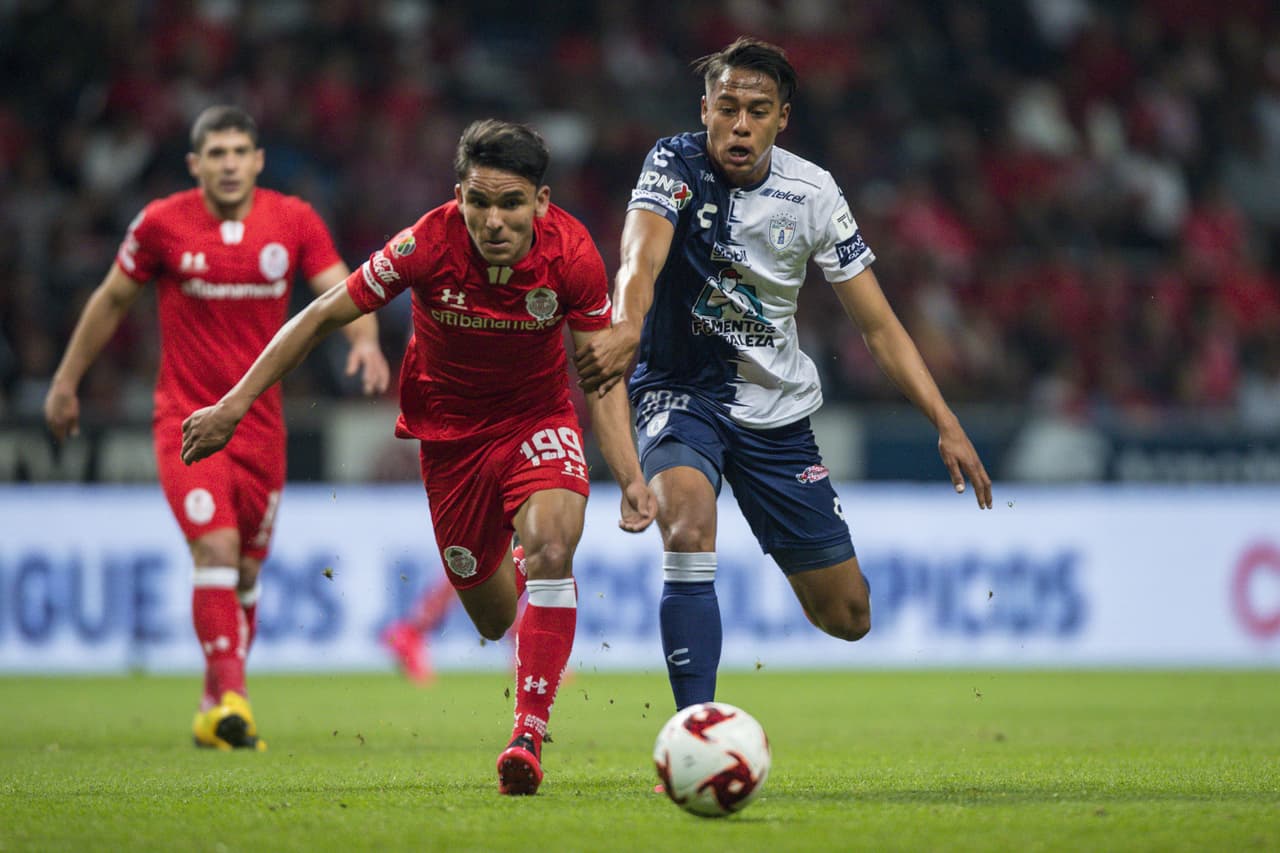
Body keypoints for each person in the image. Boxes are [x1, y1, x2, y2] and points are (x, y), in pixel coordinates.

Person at [180, 119, 656, 795]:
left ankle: (527, 734)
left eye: (511, 203)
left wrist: (631, 475)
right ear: (458, 194)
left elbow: (600, 375)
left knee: (553, 547)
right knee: (493, 619)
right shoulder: (425, 243)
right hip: (451, 442)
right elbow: (319, 314)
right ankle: (522, 564)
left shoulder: (573, 255)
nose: (494, 220)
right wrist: (234, 403)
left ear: (542, 202)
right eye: (479, 201)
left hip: (536, 419)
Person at [574, 38, 993, 712]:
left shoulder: (814, 192)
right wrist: (627, 325)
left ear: (782, 118)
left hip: (777, 413)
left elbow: (878, 326)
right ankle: (693, 730)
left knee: (848, 615)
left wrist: (945, 422)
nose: (741, 125)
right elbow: (639, 259)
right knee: (686, 524)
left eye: (758, 111)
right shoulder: (671, 163)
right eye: (729, 108)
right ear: (704, 108)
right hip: (681, 391)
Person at [43, 105, 392, 751]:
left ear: (258, 160)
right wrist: (66, 381)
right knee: (216, 552)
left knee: (248, 576)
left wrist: (367, 343)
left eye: (240, 151)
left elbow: (344, 291)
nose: (229, 163)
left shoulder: (293, 219)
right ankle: (234, 700)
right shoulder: (161, 224)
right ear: (195, 164)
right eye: (217, 153)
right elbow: (111, 298)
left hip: (261, 429)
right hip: (188, 422)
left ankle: (214, 703)